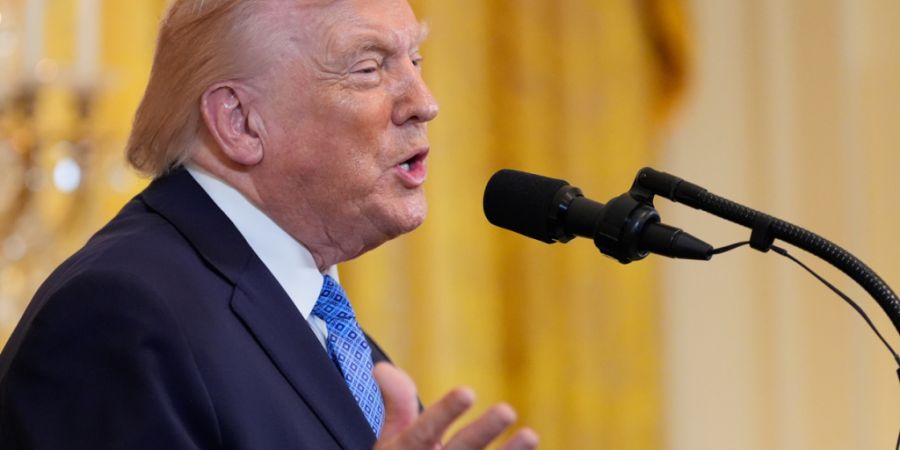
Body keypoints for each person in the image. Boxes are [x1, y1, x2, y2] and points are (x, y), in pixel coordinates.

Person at [0, 0, 539, 449]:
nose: (425, 102)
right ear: (239, 122)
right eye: (370, 67)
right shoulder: (119, 314)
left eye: (415, 60)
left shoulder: (330, 332)